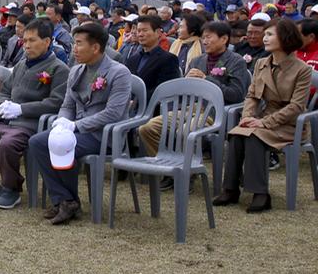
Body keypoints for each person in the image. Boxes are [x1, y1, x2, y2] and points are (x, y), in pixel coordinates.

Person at [0, 18, 69, 209]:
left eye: (32, 40)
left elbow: (56, 102)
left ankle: (11, 188)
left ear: (47, 41)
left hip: (29, 125)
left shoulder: (58, 69)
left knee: (6, 145)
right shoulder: (22, 65)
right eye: (24, 40)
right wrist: (3, 104)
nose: (27, 45)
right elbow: (4, 90)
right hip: (5, 119)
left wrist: (22, 109)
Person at [27, 22, 134, 226]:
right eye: (74, 43)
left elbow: (114, 113)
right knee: (37, 142)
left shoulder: (119, 72)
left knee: (64, 144)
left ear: (95, 47)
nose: (74, 48)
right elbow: (68, 104)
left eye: (79, 43)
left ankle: (66, 202)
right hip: (77, 131)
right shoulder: (76, 71)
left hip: (103, 134)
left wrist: (77, 126)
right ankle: (65, 199)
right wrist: (62, 122)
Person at [215, 18, 312, 213]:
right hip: (263, 117)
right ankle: (231, 188)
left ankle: (260, 193)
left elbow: (296, 106)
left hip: (290, 124)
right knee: (237, 134)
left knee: (253, 137)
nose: (264, 38)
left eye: (269, 34)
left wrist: (263, 122)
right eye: (265, 34)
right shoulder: (261, 63)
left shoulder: (302, 69)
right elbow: (252, 95)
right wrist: (247, 117)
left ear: (285, 38)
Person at [138, 20, 251, 163]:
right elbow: (184, 92)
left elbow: (236, 94)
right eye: (203, 37)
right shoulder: (197, 61)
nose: (204, 41)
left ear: (224, 39)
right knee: (148, 128)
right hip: (189, 108)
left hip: (215, 112)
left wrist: (207, 79)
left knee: (186, 130)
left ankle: (187, 172)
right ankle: (166, 165)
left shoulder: (236, 61)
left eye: (209, 37)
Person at [122, 15, 181, 99]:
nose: (140, 34)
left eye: (145, 30)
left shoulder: (168, 59)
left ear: (157, 33)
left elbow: (164, 91)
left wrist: (136, 102)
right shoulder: (132, 59)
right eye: (139, 31)